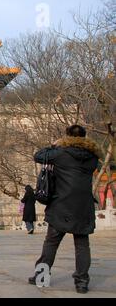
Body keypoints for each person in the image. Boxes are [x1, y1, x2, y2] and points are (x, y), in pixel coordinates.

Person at [28, 125, 99, 294]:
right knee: (82, 244)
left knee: (51, 242)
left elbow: (38, 156)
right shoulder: (93, 156)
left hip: (62, 204)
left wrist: (54, 145)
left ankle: (42, 276)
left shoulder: (61, 153)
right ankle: (82, 282)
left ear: (67, 136)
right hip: (84, 205)